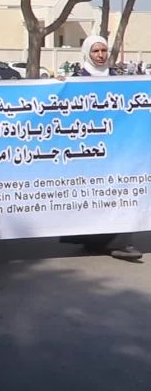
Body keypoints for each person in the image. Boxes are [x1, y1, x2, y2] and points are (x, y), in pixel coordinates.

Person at [59, 36, 142, 262]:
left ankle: (121, 243)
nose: (101, 55)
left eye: (104, 50)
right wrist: (58, 86)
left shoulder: (119, 80)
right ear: (87, 52)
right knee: (92, 194)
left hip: (116, 150)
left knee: (121, 192)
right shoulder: (75, 80)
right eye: (96, 51)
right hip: (87, 150)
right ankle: (92, 239)